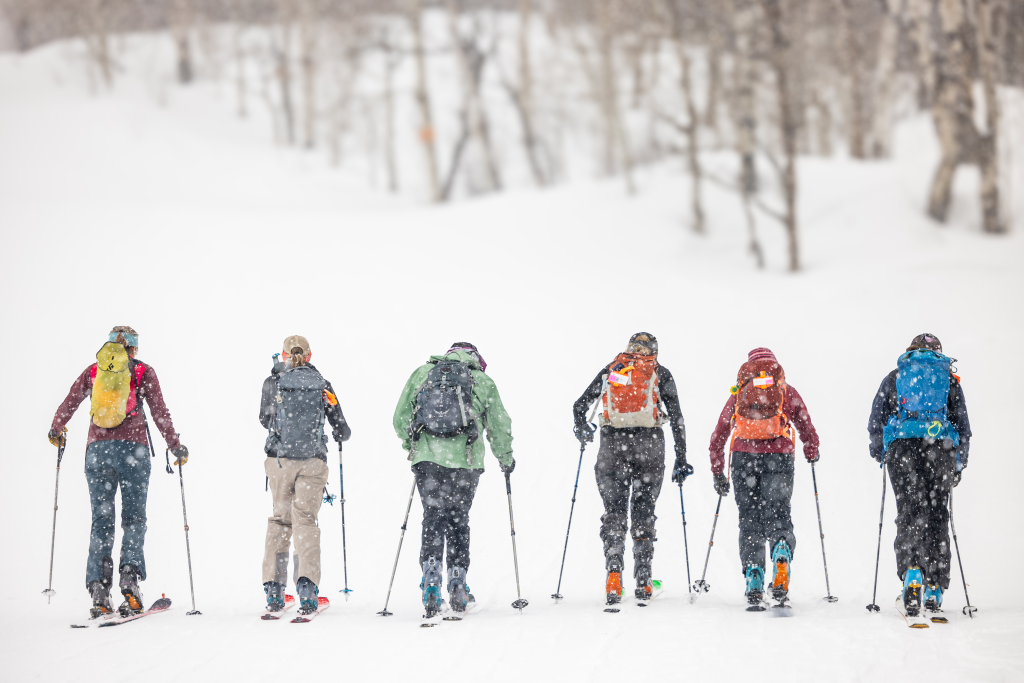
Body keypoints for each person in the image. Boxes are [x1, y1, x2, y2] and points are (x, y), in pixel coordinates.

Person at [48, 326, 188, 618]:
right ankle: (129, 580)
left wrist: (56, 428)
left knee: (102, 521)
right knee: (134, 518)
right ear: (135, 348)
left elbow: (70, 401)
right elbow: (160, 412)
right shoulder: (143, 372)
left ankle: (99, 590)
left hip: (97, 452)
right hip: (133, 451)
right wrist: (174, 445)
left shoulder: (94, 371)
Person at [393, 343, 514, 617]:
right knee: (458, 517)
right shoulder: (481, 380)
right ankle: (458, 579)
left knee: (433, 516)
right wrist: (505, 458)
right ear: (475, 359)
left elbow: (400, 417)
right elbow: (499, 424)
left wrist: (413, 446)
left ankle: (431, 576)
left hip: (427, 461)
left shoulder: (423, 373)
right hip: (466, 461)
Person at [573, 332, 690, 605]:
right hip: (650, 446)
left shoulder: (613, 369)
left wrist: (582, 429)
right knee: (644, 510)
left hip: (612, 446)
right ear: (654, 351)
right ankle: (644, 578)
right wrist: (681, 458)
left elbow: (579, 406)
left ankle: (614, 573)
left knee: (614, 511)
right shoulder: (660, 372)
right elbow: (677, 419)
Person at [867, 333, 970, 617]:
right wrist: (959, 461)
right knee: (937, 513)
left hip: (902, 450)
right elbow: (962, 424)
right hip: (941, 449)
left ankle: (913, 571)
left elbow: (876, 418)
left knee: (910, 511)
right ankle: (935, 585)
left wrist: (881, 451)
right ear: (938, 353)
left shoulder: (896, 375)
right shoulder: (947, 378)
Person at [707, 347, 819, 608]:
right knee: (779, 511)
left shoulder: (739, 392)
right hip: (779, 456)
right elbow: (804, 421)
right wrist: (811, 447)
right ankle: (781, 548)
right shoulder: (785, 390)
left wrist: (717, 470)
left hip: (744, 458)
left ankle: (754, 573)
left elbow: (720, 432)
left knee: (749, 518)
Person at [259, 335, 351, 615]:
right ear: (309, 356)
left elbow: (264, 419)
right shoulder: (322, 384)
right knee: (306, 522)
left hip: (280, 461)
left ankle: (275, 592)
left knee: (280, 520)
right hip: (313, 461)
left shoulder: (273, 382)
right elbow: (343, 431)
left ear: (285, 355)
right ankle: (307, 590)